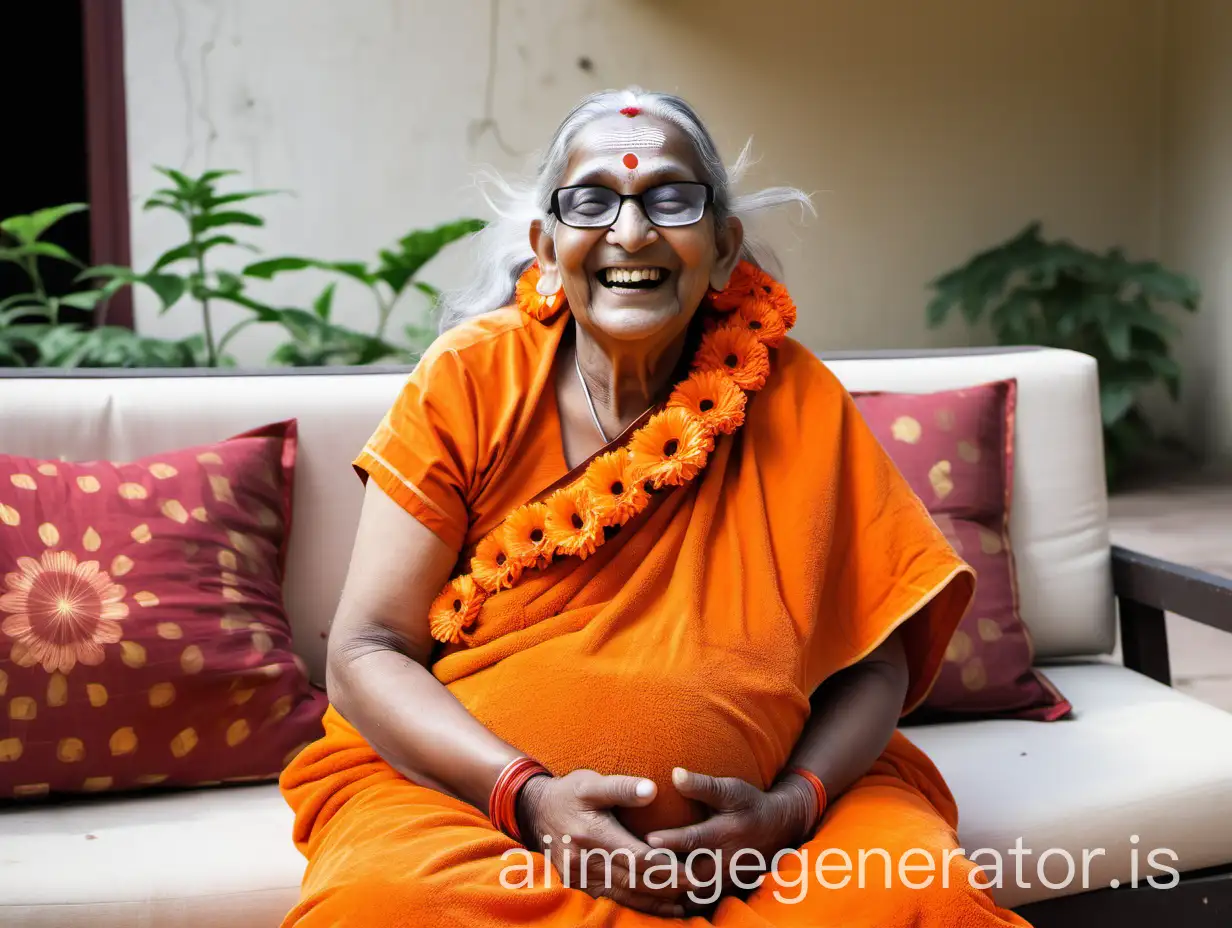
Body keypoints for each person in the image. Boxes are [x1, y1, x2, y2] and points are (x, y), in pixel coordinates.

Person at [279, 87, 1033, 926]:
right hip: (472, 807)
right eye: (591, 200)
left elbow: (875, 666)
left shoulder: (798, 399)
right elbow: (366, 649)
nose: (630, 234)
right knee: (385, 906)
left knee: (919, 901)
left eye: (671, 199)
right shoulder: (471, 379)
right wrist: (526, 800)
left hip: (777, 839)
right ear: (547, 244)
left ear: (722, 246)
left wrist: (788, 808)